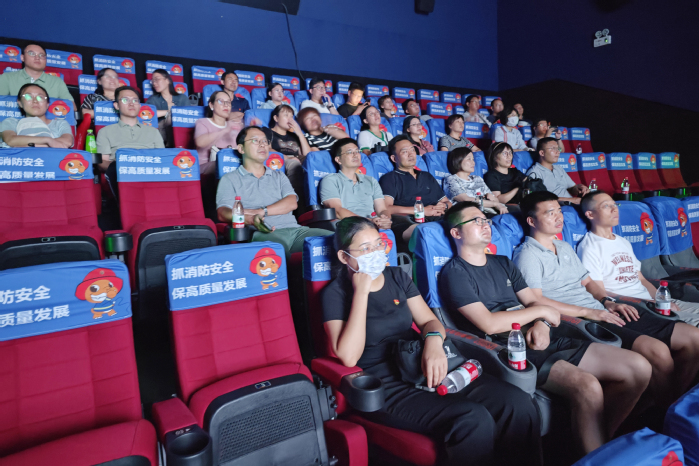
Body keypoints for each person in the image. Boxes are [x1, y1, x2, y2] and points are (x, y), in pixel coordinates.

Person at [322, 216, 543, 466]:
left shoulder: (397, 276)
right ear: (344, 257)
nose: (375, 253)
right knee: (472, 419)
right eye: (365, 249)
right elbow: (349, 356)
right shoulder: (335, 293)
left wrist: (434, 343)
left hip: (419, 362)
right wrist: (361, 292)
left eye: (378, 244)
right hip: (383, 383)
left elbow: (430, 321)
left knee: (516, 403)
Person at [439, 201, 651, 456]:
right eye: (476, 221)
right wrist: (542, 314)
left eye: (486, 220)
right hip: (511, 348)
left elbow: (532, 301)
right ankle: (595, 452)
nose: (485, 225)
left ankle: (597, 445)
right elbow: (489, 323)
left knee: (638, 368)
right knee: (588, 386)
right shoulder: (455, 273)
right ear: (456, 232)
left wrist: (543, 322)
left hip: (544, 333)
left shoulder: (503, 262)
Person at [515, 191, 699, 409]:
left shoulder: (563, 247)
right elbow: (536, 300)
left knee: (692, 337)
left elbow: (587, 282)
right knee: (657, 352)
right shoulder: (527, 255)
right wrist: (589, 312)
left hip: (601, 309)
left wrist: (607, 301)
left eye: (559, 211)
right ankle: (667, 412)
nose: (559, 217)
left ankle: (677, 407)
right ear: (531, 221)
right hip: (578, 319)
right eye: (550, 213)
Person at [578, 191, 699, 328]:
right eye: (606, 206)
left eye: (614, 204)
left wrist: (660, 300)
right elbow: (599, 291)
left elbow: (641, 279)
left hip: (651, 300)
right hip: (633, 306)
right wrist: (644, 302)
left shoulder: (623, 242)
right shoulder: (589, 247)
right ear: (590, 214)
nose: (614, 209)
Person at [216, 126, 332, 257]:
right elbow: (223, 212)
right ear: (241, 148)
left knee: (335, 240)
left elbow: (292, 203)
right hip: (263, 233)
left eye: (265, 141)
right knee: (278, 250)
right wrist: (249, 219)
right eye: (255, 140)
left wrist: (260, 211)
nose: (262, 145)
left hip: (296, 231)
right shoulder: (229, 179)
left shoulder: (279, 176)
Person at [379, 135, 451, 243]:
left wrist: (444, 206)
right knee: (428, 233)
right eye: (404, 151)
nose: (411, 154)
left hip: (438, 218)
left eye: (412, 150)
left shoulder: (427, 176)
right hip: (409, 222)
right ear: (394, 158)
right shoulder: (390, 178)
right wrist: (422, 210)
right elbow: (386, 208)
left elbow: (447, 202)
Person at [97, 86, 164, 198]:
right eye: (125, 100)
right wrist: (123, 165)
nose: (131, 104)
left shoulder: (153, 132)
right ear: (116, 105)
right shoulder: (105, 132)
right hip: (122, 172)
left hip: (149, 172)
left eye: (135, 100)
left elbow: (162, 159)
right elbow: (102, 162)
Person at [320, 138, 392, 228]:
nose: (355, 155)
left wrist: (385, 219)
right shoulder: (330, 180)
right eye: (350, 152)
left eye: (357, 151)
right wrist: (368, 222)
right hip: (348, 226)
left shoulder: (371, 181)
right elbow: (337, 211)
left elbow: (382, 209)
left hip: (374, 224)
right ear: (338, 160)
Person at [0, 83, 73, 148]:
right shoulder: (11, 122)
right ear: (20, 103)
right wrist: (48, 140)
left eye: (40, 97)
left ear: (47, 104)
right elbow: (11, 140)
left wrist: (27, 145)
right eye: (28, 97)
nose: (35, 101)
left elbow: (67, 142)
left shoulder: (60, 124)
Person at [443, 148, 507, 215]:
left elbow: (496, 200)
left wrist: (492, 198)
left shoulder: (477, 179)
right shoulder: (451, 179)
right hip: (470, 214)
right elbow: (465, 200)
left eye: (473, 159)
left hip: (491, 211)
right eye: (469, 159)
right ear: (458, 160)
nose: (473, 163)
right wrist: (494, 204)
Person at [0, 43, 73, 102]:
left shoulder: (57, 82)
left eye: (41, 55)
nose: (37, 58)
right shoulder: (7, 78)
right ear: (22, 57)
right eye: (31, 54)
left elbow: (72, 107)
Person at [269, 104, 312, 202]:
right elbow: (267, 149)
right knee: (294, 163)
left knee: (312, 162)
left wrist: (299, 132)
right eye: (286, 115)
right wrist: (287, 158)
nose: (290, 119)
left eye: (292, 116)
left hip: (296, 158)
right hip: (279, 159)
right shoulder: (268, 132)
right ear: (276, 118)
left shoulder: (294, 136)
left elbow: (307, 155)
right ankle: (297, 202)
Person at [526, 137, 589, 204]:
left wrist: (579, 188)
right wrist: (573, 200)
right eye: (553, 149)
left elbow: (572, 188)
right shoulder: (534, 173)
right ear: (542, 153)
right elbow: (540, 199)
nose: (558, 152)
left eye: (558, 149)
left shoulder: (559, 168)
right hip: (557, 207)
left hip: (572, 204)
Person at [194, 91, 239, 175]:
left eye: (228, 102)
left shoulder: (233, 125)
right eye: (221, 101)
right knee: (222, 163)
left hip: (230, 165)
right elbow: (200, 142)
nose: (226, 105)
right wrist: (224, 130)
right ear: (211, 105)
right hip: (205, 166)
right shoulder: (203, 122)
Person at [146, 69, 190, 147]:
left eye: (157, 79)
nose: (154, 83)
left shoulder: (182, 98)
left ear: (167, 80)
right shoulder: (153, 99)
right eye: (152, 81)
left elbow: (189, 115)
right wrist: (169, 112)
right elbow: (147, 114)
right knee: (169, 118)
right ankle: (170, 146)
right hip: (161, 132)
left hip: (180, 129)